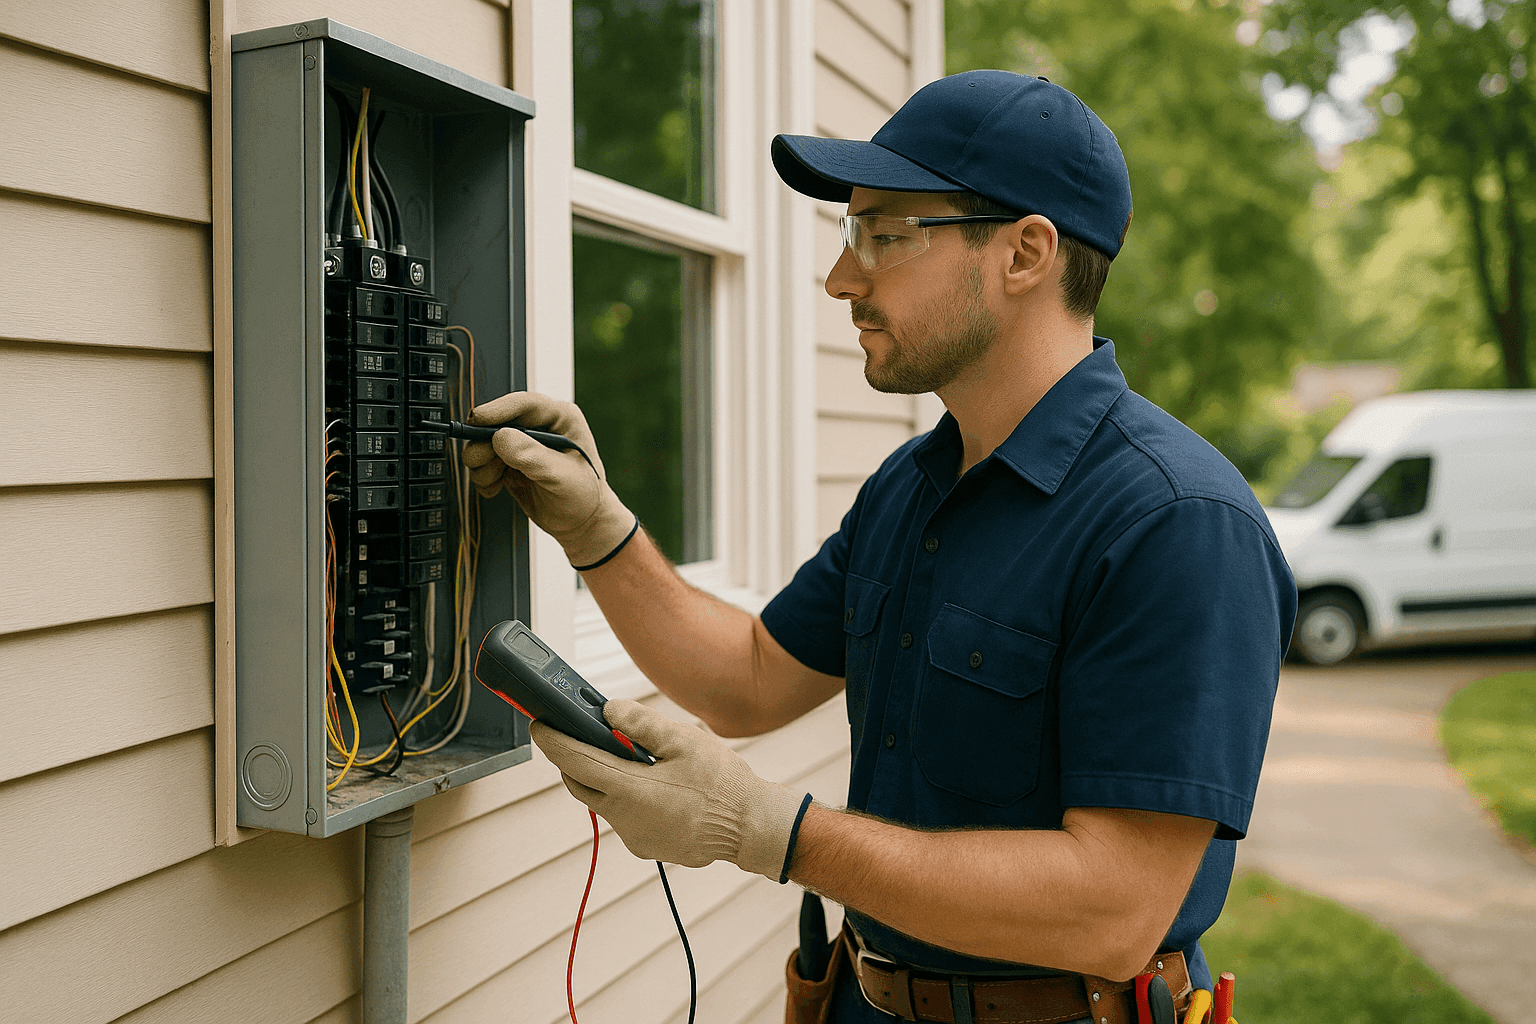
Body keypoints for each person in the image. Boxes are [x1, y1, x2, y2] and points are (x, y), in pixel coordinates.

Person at [462, 69, 1296, 1024]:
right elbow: (749, 677)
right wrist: (596, 526)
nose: (841, 277)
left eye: (886, 235)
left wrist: (767, 831)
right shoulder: (911, 487)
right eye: (848, 234)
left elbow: (1115, 907)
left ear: (1025, 253)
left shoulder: (1175, 522)